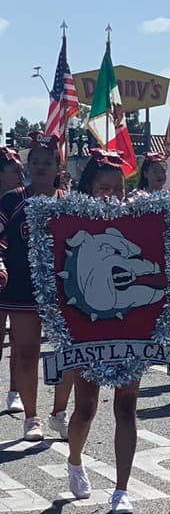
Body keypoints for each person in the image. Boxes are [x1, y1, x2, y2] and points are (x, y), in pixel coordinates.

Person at [61, 150, 154, 514]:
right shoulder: (71, 221)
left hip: (130, 324)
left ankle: (121, 489)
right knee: (85, 408)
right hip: (89, 326)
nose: (112, 195)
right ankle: (74, 458)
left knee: (126, 406)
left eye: (119, 188)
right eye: (104, 188)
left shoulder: (138, 220)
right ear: (89, 187)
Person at [0, 135, 73, 442]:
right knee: (27, 353)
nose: (41, 168)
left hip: (66, 291)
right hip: (21, 289)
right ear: (28, 165)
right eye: (35, 162)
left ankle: (59, 412)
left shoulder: (69, 201)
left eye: (47, 162)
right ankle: (31, 417)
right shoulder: (13, 199)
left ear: (58, 166)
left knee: (68, 353)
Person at [0, 146, 26, 415]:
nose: (21, 175)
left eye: (22, 170)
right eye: (14, 171)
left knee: (20, 339)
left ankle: (15, 391)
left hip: (17, 276)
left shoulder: (21, 199)